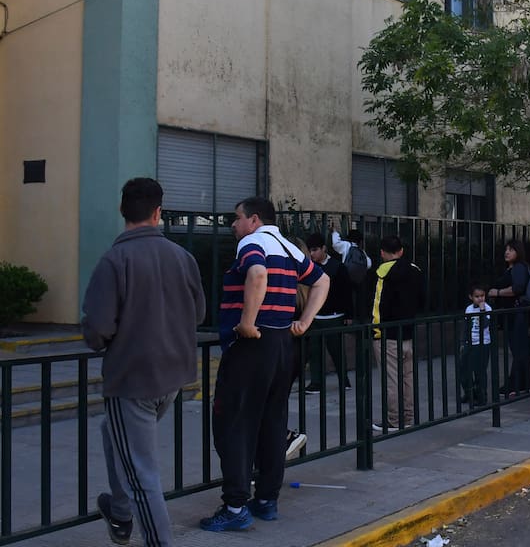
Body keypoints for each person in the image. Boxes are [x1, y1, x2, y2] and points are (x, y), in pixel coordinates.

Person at [82, 178, 206, 547]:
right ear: (158, 213)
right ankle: (120, 512)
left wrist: (98, 336)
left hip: (133, 378)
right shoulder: (183, 257)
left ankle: (151, 536)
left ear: (123, 212)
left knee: (142, 476)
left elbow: (99, 326)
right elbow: (197, 313)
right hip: (172, 375)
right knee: (113, 434)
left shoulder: (114, 260)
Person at [200, 197, 328, 532]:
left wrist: (246, 321)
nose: (233, 224)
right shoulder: (288, 247)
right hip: (283, 344)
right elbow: (321, 280)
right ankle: (267, 499)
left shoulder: (252, 243)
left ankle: (235, 505)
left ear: (254, 220)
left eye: (236, 218)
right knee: (272, 421)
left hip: (252, 346)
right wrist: (305, 321)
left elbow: (257, 274)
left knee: (233, 422)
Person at [372, 236, 427, 430]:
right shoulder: (415, 270)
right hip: (408, 333)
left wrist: (376, 332)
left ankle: (394, 420)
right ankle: (408, 417)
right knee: (407, 378)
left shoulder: (383, 272)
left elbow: (378, 307)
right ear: (401, 251)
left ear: (382, 252)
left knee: (391, 380)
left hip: (388, 334)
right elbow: (422, 300)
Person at [304, 232, 354, 393]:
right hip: (315, 315)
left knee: (336, 350)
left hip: (334, 315)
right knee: (314, 351)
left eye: (315, 250)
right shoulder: (310, 267)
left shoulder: (337, 267)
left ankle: (344, 380)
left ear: (324, 248)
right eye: (310, 251)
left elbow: (346, 291)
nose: (312, 254)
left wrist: (349, 314)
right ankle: (316, 383)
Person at [488, 239, 530, 397]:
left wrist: (497, 292)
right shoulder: (512, 268)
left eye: (511, 250)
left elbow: (517, 288)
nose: (507, 252)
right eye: (506, 249)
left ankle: (517, 383)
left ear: (518, 252)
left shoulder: (519, 268)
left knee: (519, 348)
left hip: (516, 313)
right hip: (512, 313)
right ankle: (521, 382)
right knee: (519, 349)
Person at [458, 283, 492, 407]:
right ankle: (469, 393)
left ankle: (481, 396)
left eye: (482, 296)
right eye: (477, 296)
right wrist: (463, 342)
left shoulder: (487, 308)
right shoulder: (469, 309)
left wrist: (482, 309)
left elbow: (485, 325)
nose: (480, 299)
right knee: (464, 369)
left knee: (480, 371)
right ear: (471, 297)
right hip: (470, 343)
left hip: (482, 344)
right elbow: (465, 327)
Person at [331, 227, 372, 322]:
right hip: (360, 280)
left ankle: (348, 318)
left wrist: (334, 232)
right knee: (359, 301)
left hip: (347, 277)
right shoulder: (361, 251)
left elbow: (336, 244)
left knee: (347, 298)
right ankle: (360, 319)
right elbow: (369, 264)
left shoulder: (346, 245)